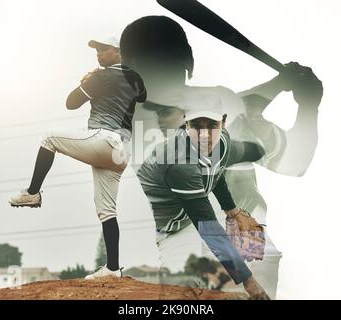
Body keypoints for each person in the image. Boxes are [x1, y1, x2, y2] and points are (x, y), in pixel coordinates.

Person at [119, 15, 323, 298]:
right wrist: (306, 103)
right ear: (188, 61)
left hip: (186, 250)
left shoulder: (125, 118)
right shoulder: (222, 108)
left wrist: (280, 85)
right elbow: (294, 162)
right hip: (247, 245)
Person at [9, 36, 146, 279]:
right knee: (107, 211)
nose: (98, 53)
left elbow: (71, 103)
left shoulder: (101, 76)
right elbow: (142, 96)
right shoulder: (134, 77)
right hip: (121, 152)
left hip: (104, 139)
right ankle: (113, 269)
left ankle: (32, 193)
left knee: (49, 138)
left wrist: (88, 82)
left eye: (104, 49)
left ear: (118, 52)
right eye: (97, 49)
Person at [137, 102, 270, 300]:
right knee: (180, 292)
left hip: (193, 216)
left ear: (223, 123)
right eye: (197, 125)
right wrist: (250, 283)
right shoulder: (178, 161)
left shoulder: (222, 142)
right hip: (168, 225)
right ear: (186, 123)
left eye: (212, 125)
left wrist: (232, 211)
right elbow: (207, 226)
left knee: (234, 267)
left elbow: (217, 170)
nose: (205, 134)